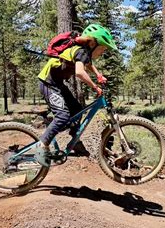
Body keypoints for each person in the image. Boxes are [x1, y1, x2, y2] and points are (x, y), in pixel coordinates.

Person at [35, 23, 118, 167]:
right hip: (48, 83)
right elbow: (79, 72)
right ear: (93, 43)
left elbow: (88, 64)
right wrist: (94, 86)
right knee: (62, 116)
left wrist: (98, 75)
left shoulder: (83, 52)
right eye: (102, 48)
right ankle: (42, 146)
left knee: (77, 110)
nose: (103, 52)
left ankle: (75, 142)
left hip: (57, 83)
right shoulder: (81, 51)